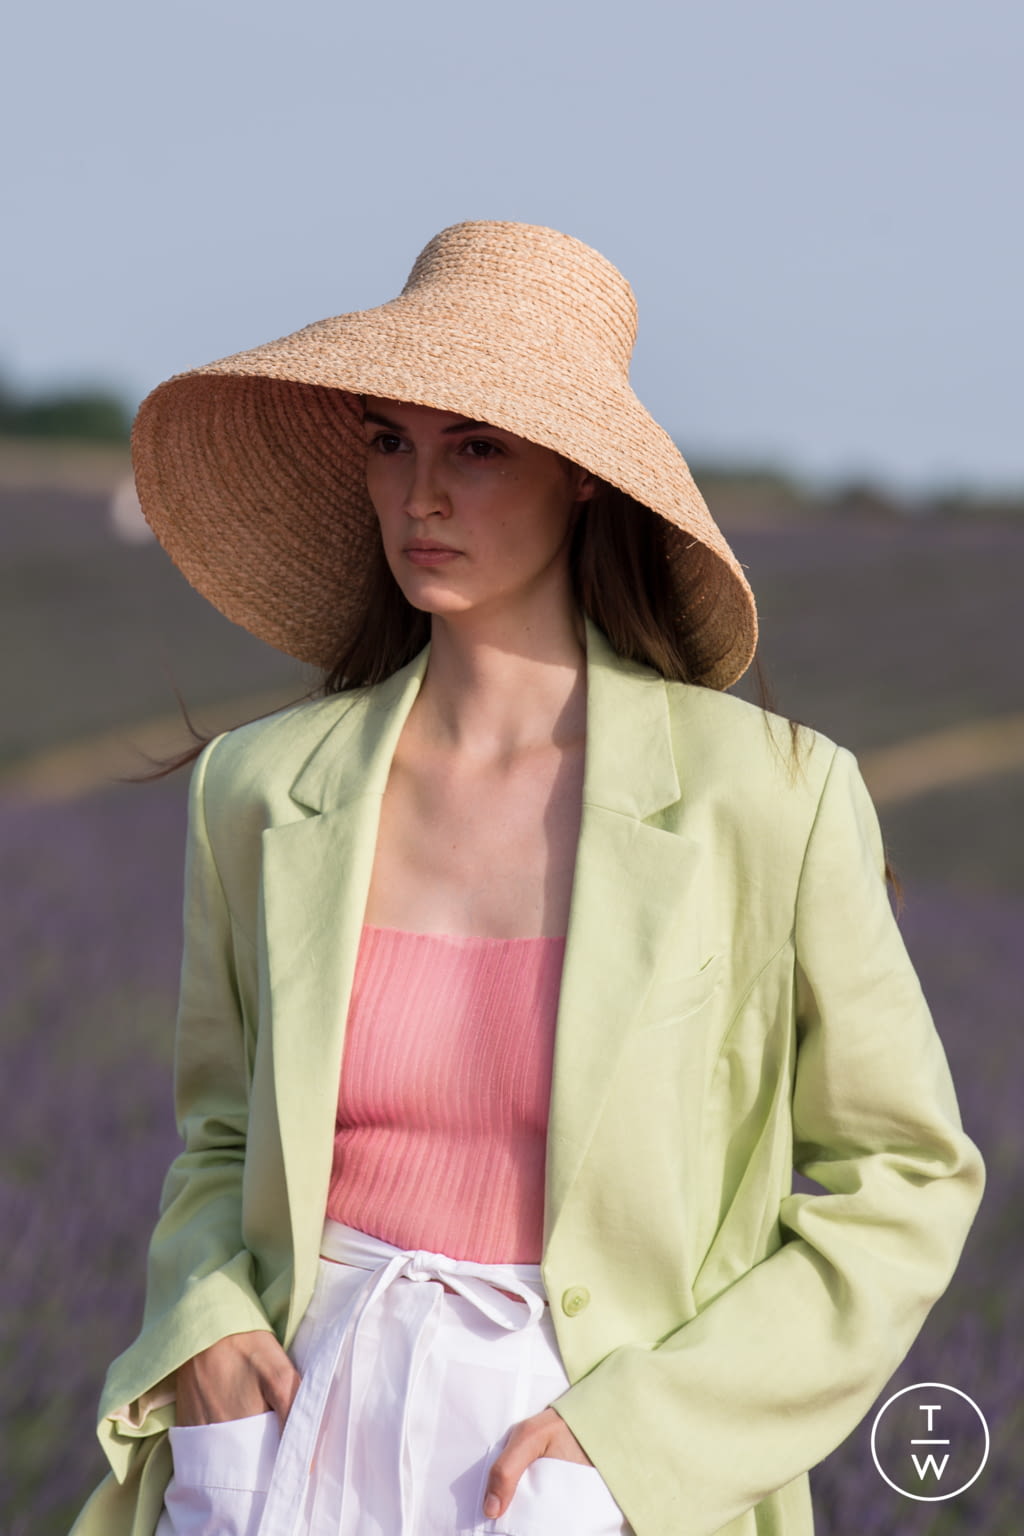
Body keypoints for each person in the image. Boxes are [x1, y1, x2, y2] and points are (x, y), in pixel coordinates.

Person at [71, 220, 984, 1536]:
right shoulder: (263, 790)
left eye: (477, 446)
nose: (418, 493)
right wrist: (205, 1338)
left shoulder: (769, 798)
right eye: (390, 440)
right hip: (277, 1439)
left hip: (575, 1459)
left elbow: (908, 1176)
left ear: (586, 478)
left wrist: (633, 1447)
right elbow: (219, 1138)